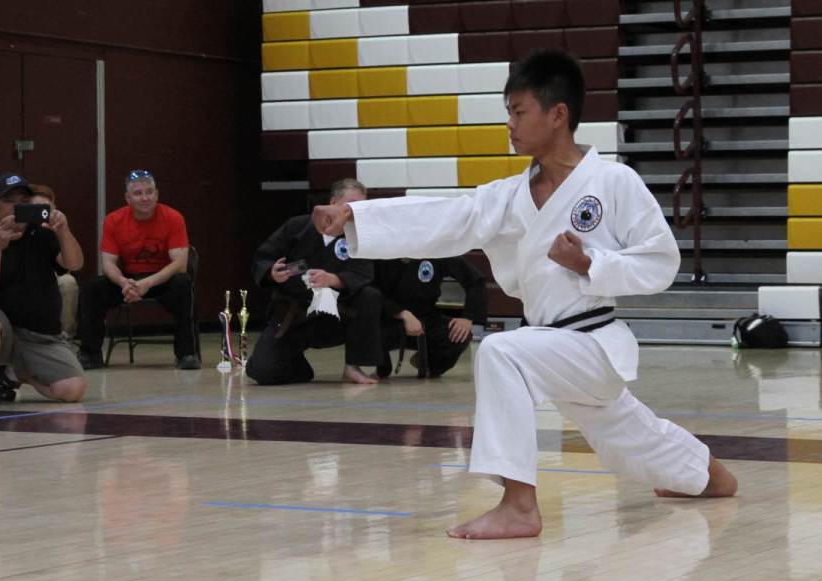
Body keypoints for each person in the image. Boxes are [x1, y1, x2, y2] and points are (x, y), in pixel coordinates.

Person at [312, 49, 737, 539]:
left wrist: (591, 264)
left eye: (519, 111)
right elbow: (447, 216)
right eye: (508, 113)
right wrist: (357, 216)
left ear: (558, 114)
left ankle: (518, 506)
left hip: (592, 342)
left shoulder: (613, 181)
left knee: (500, 351)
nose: (510, 124)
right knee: (631, 439)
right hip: (550, 345)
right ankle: (712, 478)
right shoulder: (511, 195)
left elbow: (662, 262)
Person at [0, 172, 88, 407]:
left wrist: (63, 231)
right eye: (9, 201)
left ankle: (16, 374)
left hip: (40, 337)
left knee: (72, 390)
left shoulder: (41, 234)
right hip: (0, 333)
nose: (17, 207)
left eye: (24, 202)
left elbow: (75, 264)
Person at [246, 178, 382, 385]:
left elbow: (363, 274)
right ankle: (298, 368)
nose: (354, 211)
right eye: (351, 204)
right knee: (262, 371)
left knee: (370, 296)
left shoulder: (360, 236)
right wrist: (271, 272)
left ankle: (353, 367)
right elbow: (264, 257)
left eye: (360, 207)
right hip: (295, 315)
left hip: (336, 316)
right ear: (333, 202)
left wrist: (334, 279)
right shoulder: (297, 226)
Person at [77, 170, 200, 370]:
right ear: (128, 198)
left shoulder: (173, 217)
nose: (145, 198)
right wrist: (124, 283)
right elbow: (108, 263)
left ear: (156, 194)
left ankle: (186, 354)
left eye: (149, 192)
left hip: (163, 279)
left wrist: (147, 283)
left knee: (183, 283)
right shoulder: (114, 220)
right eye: (138, 193)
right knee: (92, 288)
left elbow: (180, 264)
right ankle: (90, 354)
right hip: (129, 280)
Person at [374, 256, 487, 378]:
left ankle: (429, 363)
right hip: (388, 318)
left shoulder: (435, 250)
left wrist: (468, 317)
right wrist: (401, 313)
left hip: (427, 319)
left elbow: (476, 281)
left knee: (460, 335)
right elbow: (368, 291)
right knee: (365, 323)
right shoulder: (380, 253)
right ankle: (382, 367)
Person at [30, 184, 79, 340]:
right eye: (36, 209)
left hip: (49, 281)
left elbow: (72, 265)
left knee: (68, 282)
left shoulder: (54, 231)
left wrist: (63, 232)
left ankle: (64, 336)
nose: (41, 214)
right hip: (23, 283)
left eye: (46, 209)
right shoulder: (15, 230)